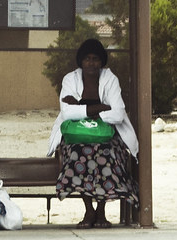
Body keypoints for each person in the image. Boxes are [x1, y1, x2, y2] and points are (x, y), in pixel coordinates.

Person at [46, 38, 138, 229]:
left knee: (106, 153)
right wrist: (101, 108)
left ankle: (101, 210)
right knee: (79, 154)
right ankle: (89, 209)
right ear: (80, 61)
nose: (91, 63)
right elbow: (67, 112)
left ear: (102, 61)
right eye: (87, 58)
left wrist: (81, 107)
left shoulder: (110, 79)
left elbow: (118, 114)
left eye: (95, 58)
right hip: (76, 135)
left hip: (107, 135)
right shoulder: (70, 79)